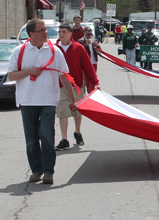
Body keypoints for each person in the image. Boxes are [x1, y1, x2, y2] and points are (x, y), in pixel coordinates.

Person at [7, 18, 77, 184]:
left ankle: (48, 171)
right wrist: (29, 71)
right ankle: (36, 170)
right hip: (27, 101)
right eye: (42, 30)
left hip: (48, 100)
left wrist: (73, 100)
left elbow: (65, 77)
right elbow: (11, 75)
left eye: (46, 30)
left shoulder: (54, 51)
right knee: (31, 139)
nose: (46, 33)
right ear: (31, 34)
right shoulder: (19, 51)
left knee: (46, 135)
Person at [55, 23, 100, 151]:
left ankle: (77, 132)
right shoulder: (54, 49)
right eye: (60, 32)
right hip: (60, 86)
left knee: (77, 111)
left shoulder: (78, 48)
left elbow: (87, 67)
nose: (61, 34)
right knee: (62, 111)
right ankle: (64, 139)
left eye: (64, 31)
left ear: (70, 34)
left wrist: (95, 82)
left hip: (77, 85)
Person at [78, 27, 100, 93]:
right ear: (84, 33)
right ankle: (89, 93)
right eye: (88, 34)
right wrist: (86, 45)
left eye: (91, 34)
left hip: (93, 63)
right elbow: (79, 51)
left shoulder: (94, 40)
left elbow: (100, 51)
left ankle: (91, 94)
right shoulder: (81, 41)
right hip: (86, 64)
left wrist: (97, 46)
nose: (89, 36)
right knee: (87, 80)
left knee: (92, 80)